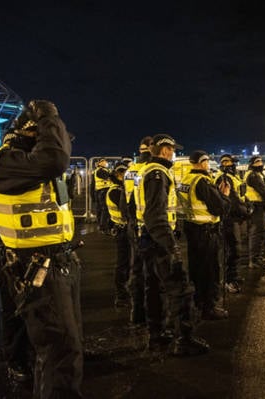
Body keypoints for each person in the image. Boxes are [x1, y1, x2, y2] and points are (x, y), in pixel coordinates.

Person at [0, 99, 83, 397]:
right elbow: (54, 159)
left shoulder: (22, 165)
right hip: (37, 266)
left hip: (55, 261)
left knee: (64, 347)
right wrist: (49, 114)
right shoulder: (6, 162)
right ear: (29, 132)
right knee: (60, 350)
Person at [135, 133, 209, 356]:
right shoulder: (158, 174)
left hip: (146, 238)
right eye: (173, 150)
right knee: (180, 289)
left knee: (154, 289)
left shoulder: (144, 171)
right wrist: (171, 246)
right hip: (159, 241)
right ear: (165, 150)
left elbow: (134, 208)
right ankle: (183, 339)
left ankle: (156, 336)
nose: (174, 154)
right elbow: (156, 215)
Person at [179, 150, 230, 320]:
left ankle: (198, 302)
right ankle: (210, 307)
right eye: (208, 161)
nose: (209, 164)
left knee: (196, 269)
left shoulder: (186, 179)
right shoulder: (202, 181)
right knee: (210, 270)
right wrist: (225, 196)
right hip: (206, 231)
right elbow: (219, 208)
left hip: (192, 229)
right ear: (202, 162)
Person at [123, 136, 153, 326]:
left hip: (133, 222)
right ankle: (149, 314)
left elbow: (126, 199)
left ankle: (136, 311)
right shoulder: (147, 170)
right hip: (146, 224)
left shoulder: (130, 170)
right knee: (150, 271)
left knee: (136, 269)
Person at [214, 154, 251, 294]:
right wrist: (246, 211)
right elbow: (233, 200)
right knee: (233, 250)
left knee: (236, 248)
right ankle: (229, 280)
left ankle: (233, 276)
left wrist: (247, 205)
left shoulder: (234, 176)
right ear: (224, 163)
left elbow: (241, 195)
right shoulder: (224, 177)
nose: (233, 164)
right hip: (229, 218)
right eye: (229, 162)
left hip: (236, 217)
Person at [105, 161, 130, 307]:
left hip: (123, 229)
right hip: (122, 230)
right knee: (123, 263)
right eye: (122, 173)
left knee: (126, 262)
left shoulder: (119, 189)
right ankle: (121, 294)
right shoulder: (116, 191)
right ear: (117, 175)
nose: (125, 175)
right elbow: (125, 210)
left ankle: (124, 291)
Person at [244, 156, 265, 268]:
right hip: (256, 206)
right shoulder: (252, 175)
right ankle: (253, 260)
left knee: (259, 233)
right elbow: (263, 190)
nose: (260, 163)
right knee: (256, 233)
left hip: (259, 206)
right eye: (257, 162)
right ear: (252, 164)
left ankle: (256, 257)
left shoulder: (258, 174)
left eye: (261, 161)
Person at [93, 158, 111, 233]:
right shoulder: (100, 171)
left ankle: (101, 225)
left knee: (101, 209)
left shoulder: (102, 170)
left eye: (105, 161)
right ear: (99, 163)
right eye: (103, 161)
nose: (105, 162)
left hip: (101, 191)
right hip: (103, 191)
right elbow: (109, 176)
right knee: (105, 209)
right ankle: (103, 227)